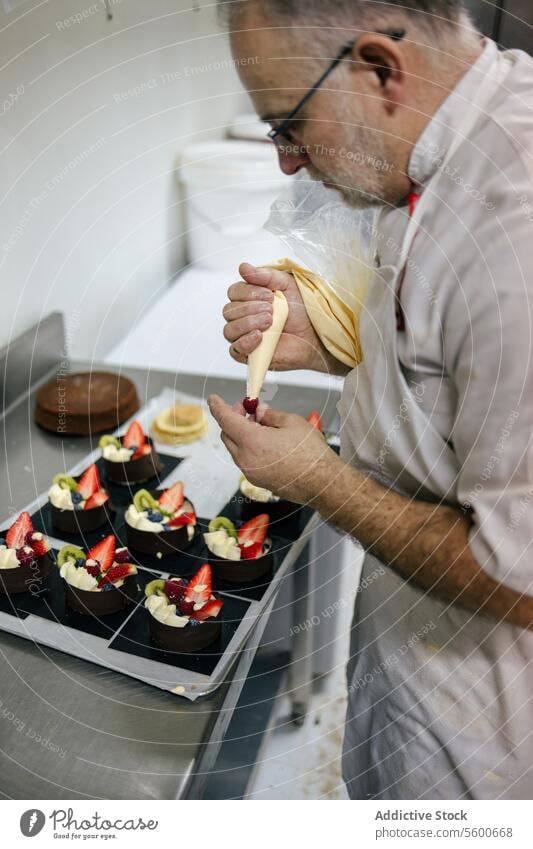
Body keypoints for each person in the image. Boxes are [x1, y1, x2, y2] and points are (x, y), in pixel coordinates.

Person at [207, 0, 533, 799]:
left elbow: (519, 577)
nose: (286, 161)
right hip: (410, 661)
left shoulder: (514, 234)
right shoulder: (434, 146)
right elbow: (448, 366)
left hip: (483, 745)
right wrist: (334, 345)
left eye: (288, 122)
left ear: (380, 68)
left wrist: (319, 478)